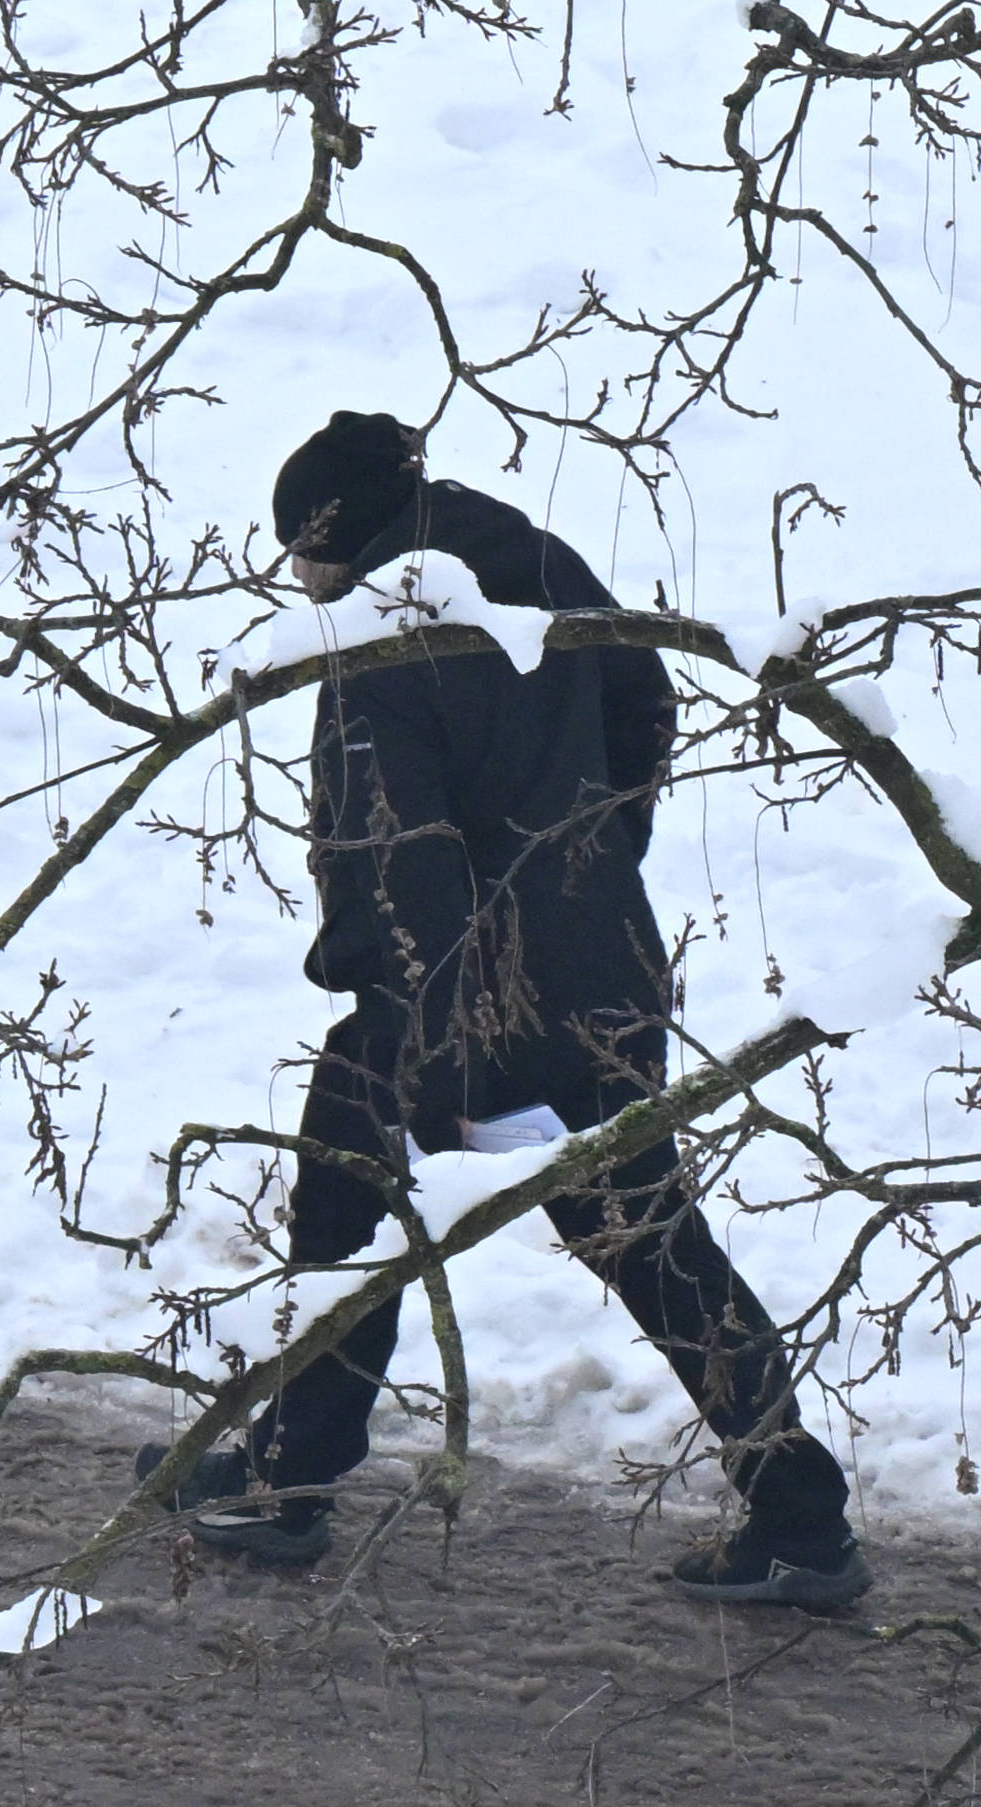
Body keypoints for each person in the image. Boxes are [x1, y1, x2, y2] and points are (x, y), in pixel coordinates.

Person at [180, 409, 864, 1610]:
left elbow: (388, 850)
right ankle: (797, 1507)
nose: (299, 580)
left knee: (350, 1205)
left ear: (339, 536)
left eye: (302, 554)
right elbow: (647, 704)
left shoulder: (385, 631)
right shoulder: (540, 559)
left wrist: (385, 989)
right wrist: (590, 864)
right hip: (599, 966)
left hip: (451, 994)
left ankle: (288, 1486)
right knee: (648, 1236)